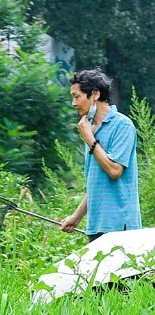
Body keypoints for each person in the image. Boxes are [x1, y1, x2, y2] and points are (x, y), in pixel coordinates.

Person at [59, 68, 142, 241]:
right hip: (96, 224)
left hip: (120, 225)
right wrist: (76, 217)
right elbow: (97, 184)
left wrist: (90, 139)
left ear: (95, 94)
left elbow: (114, 171)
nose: (73, 103)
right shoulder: (89, 128)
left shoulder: (122, 125)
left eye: (77, 96)